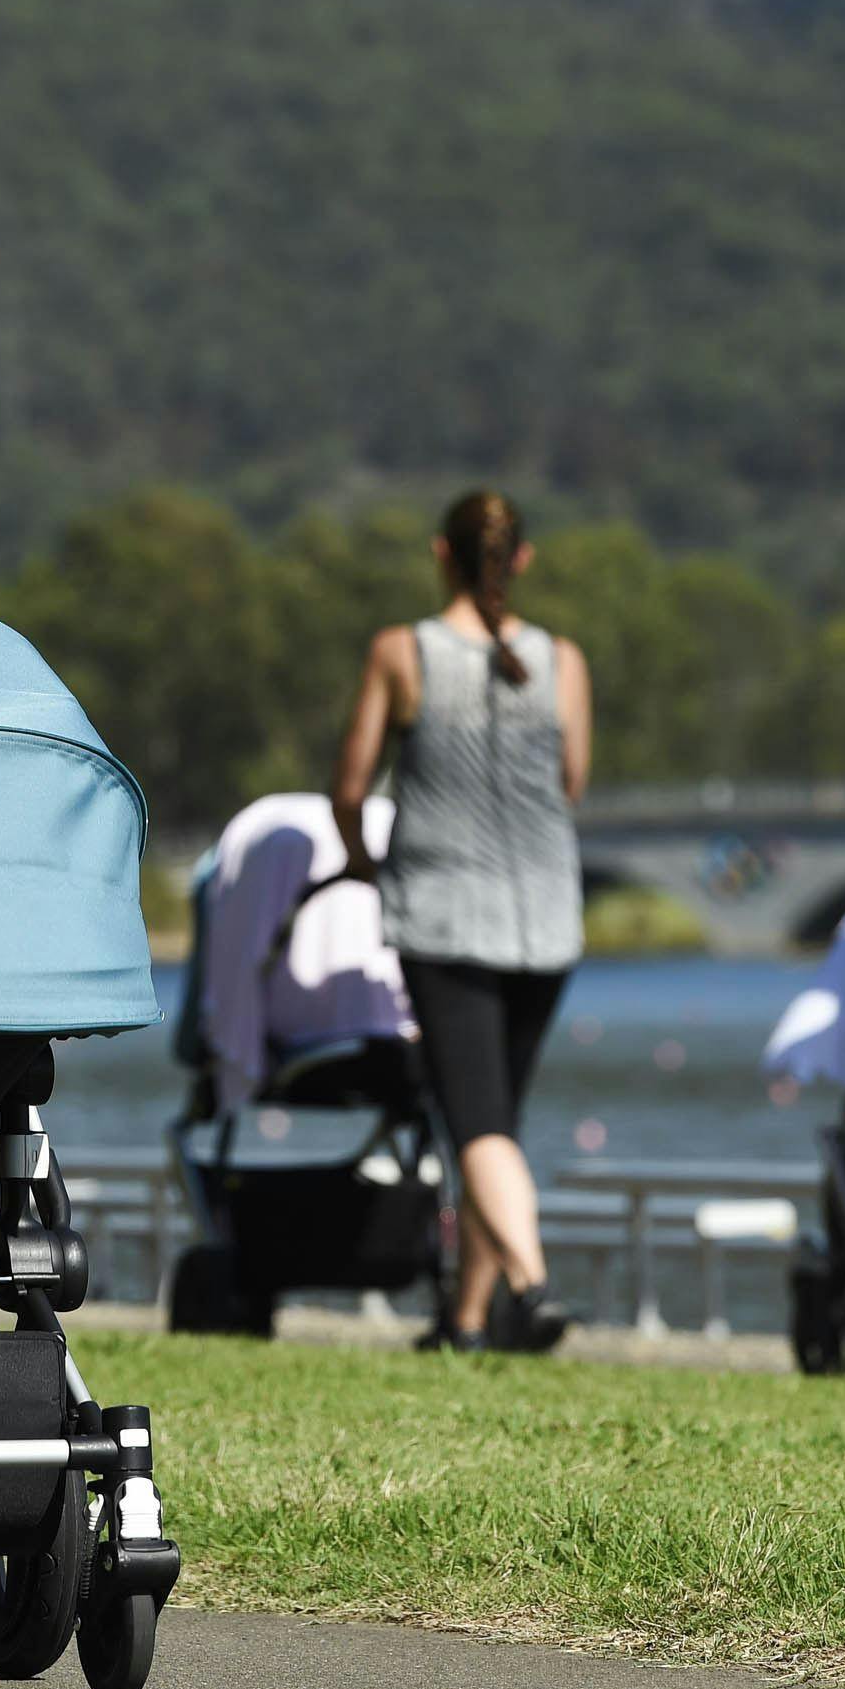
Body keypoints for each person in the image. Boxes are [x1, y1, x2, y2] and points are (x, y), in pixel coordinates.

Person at [331, 490, 590, 1353]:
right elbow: (572, 782)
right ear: (521, 560)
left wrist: (365, 865)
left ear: (439, 552)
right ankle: (468, 1321)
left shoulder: (401, 652)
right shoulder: (562, 660)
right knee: (497, 1121)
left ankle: (529, 1282)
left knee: (474, 1120)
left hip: (443, 914)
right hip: (548, 919)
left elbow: (349, 789)